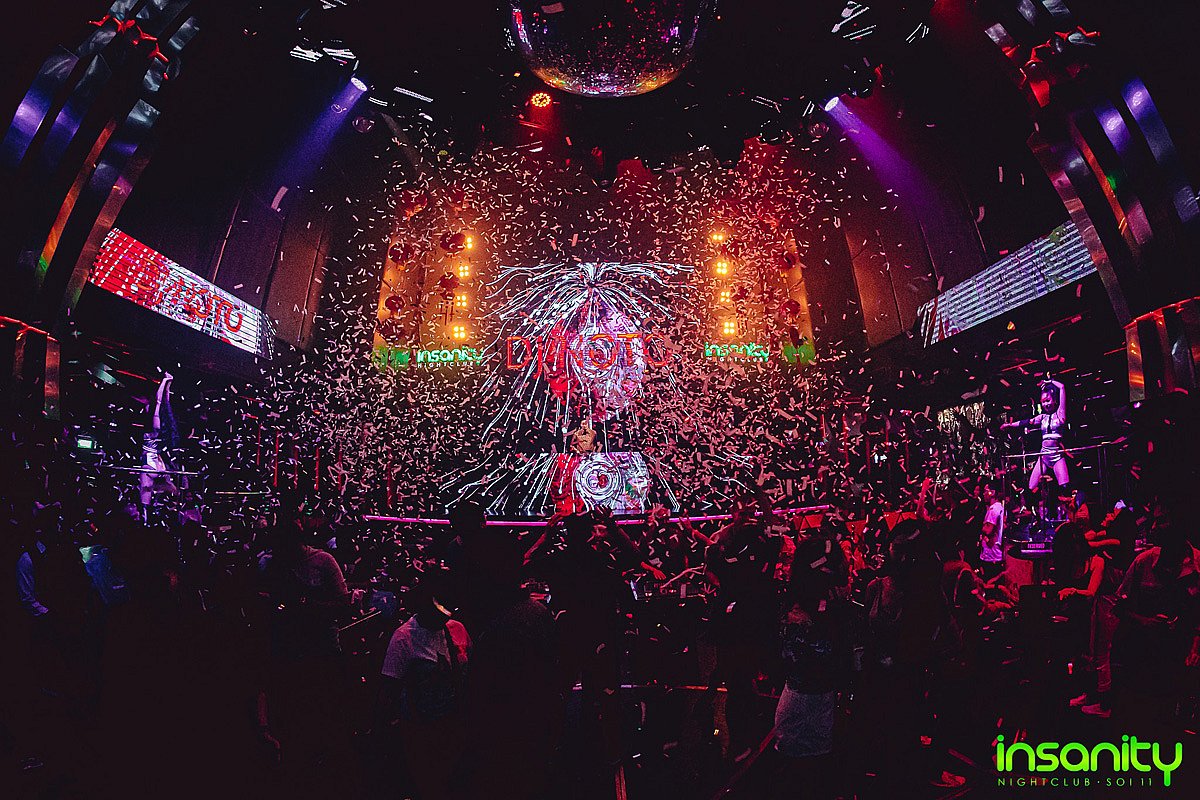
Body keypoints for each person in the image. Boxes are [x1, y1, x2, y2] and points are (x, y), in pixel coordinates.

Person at [379, 574, 471, 800]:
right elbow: (389, 691)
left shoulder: (457, 629)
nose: (445, 615)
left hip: (455, 723)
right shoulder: (404, 638)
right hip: (421, 730)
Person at [772, 534, 850, 798]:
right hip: (805, 704)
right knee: (804, 776)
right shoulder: (800, 614)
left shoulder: (811, 605)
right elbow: (820, 660)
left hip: (811, 702)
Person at [705, 494, 781, 761]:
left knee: (752, 677)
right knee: (738, 680)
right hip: (737, 618)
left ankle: (761, 734)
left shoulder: (759, 539)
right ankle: (744, 741)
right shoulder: (722, 540)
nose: (745, 519)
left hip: (754, 616)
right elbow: (712, 570)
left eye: (749, 514)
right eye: (741, 514)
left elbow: (773, 550)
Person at [1001, 378, 1069, 493]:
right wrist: (1009, 425)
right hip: (1044, 455)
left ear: (1054, 400)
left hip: (1057, 455)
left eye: (1048, 400)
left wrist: (1049, 381)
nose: (1046, 404)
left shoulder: (1060, 414)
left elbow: (1062, 387)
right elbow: (1026, 422)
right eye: (1043, 402)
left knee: (1064, 486)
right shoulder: (1042, 417)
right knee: (1031, 485)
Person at [979, 481, 1006, 580]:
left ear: (993, 492)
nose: (983, 494)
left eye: (985, 491)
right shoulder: (999, 507)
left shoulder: (993, 510)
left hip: (991, 555)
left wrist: (980, 528)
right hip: (994, 554)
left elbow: (988, 530)